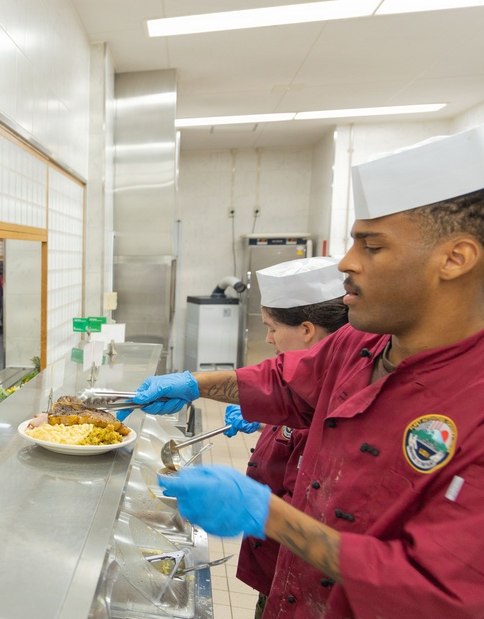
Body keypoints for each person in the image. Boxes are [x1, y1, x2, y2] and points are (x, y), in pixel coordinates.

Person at [132, 127, 484, 618]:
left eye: (372, 247)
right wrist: (195, 384)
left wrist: (269, 516)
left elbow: (438, 590)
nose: (347, 262)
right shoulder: (364, 341)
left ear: (455, 259)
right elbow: (285, 383)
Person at [227, 257, 348, 618]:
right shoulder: (303, 383)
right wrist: (267, 421)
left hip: (305, 574)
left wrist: (243, 501)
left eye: (272, 328)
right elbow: (285, 400)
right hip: (277, 565)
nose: (268, 339)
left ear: (308, 330)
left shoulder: (343, 387)